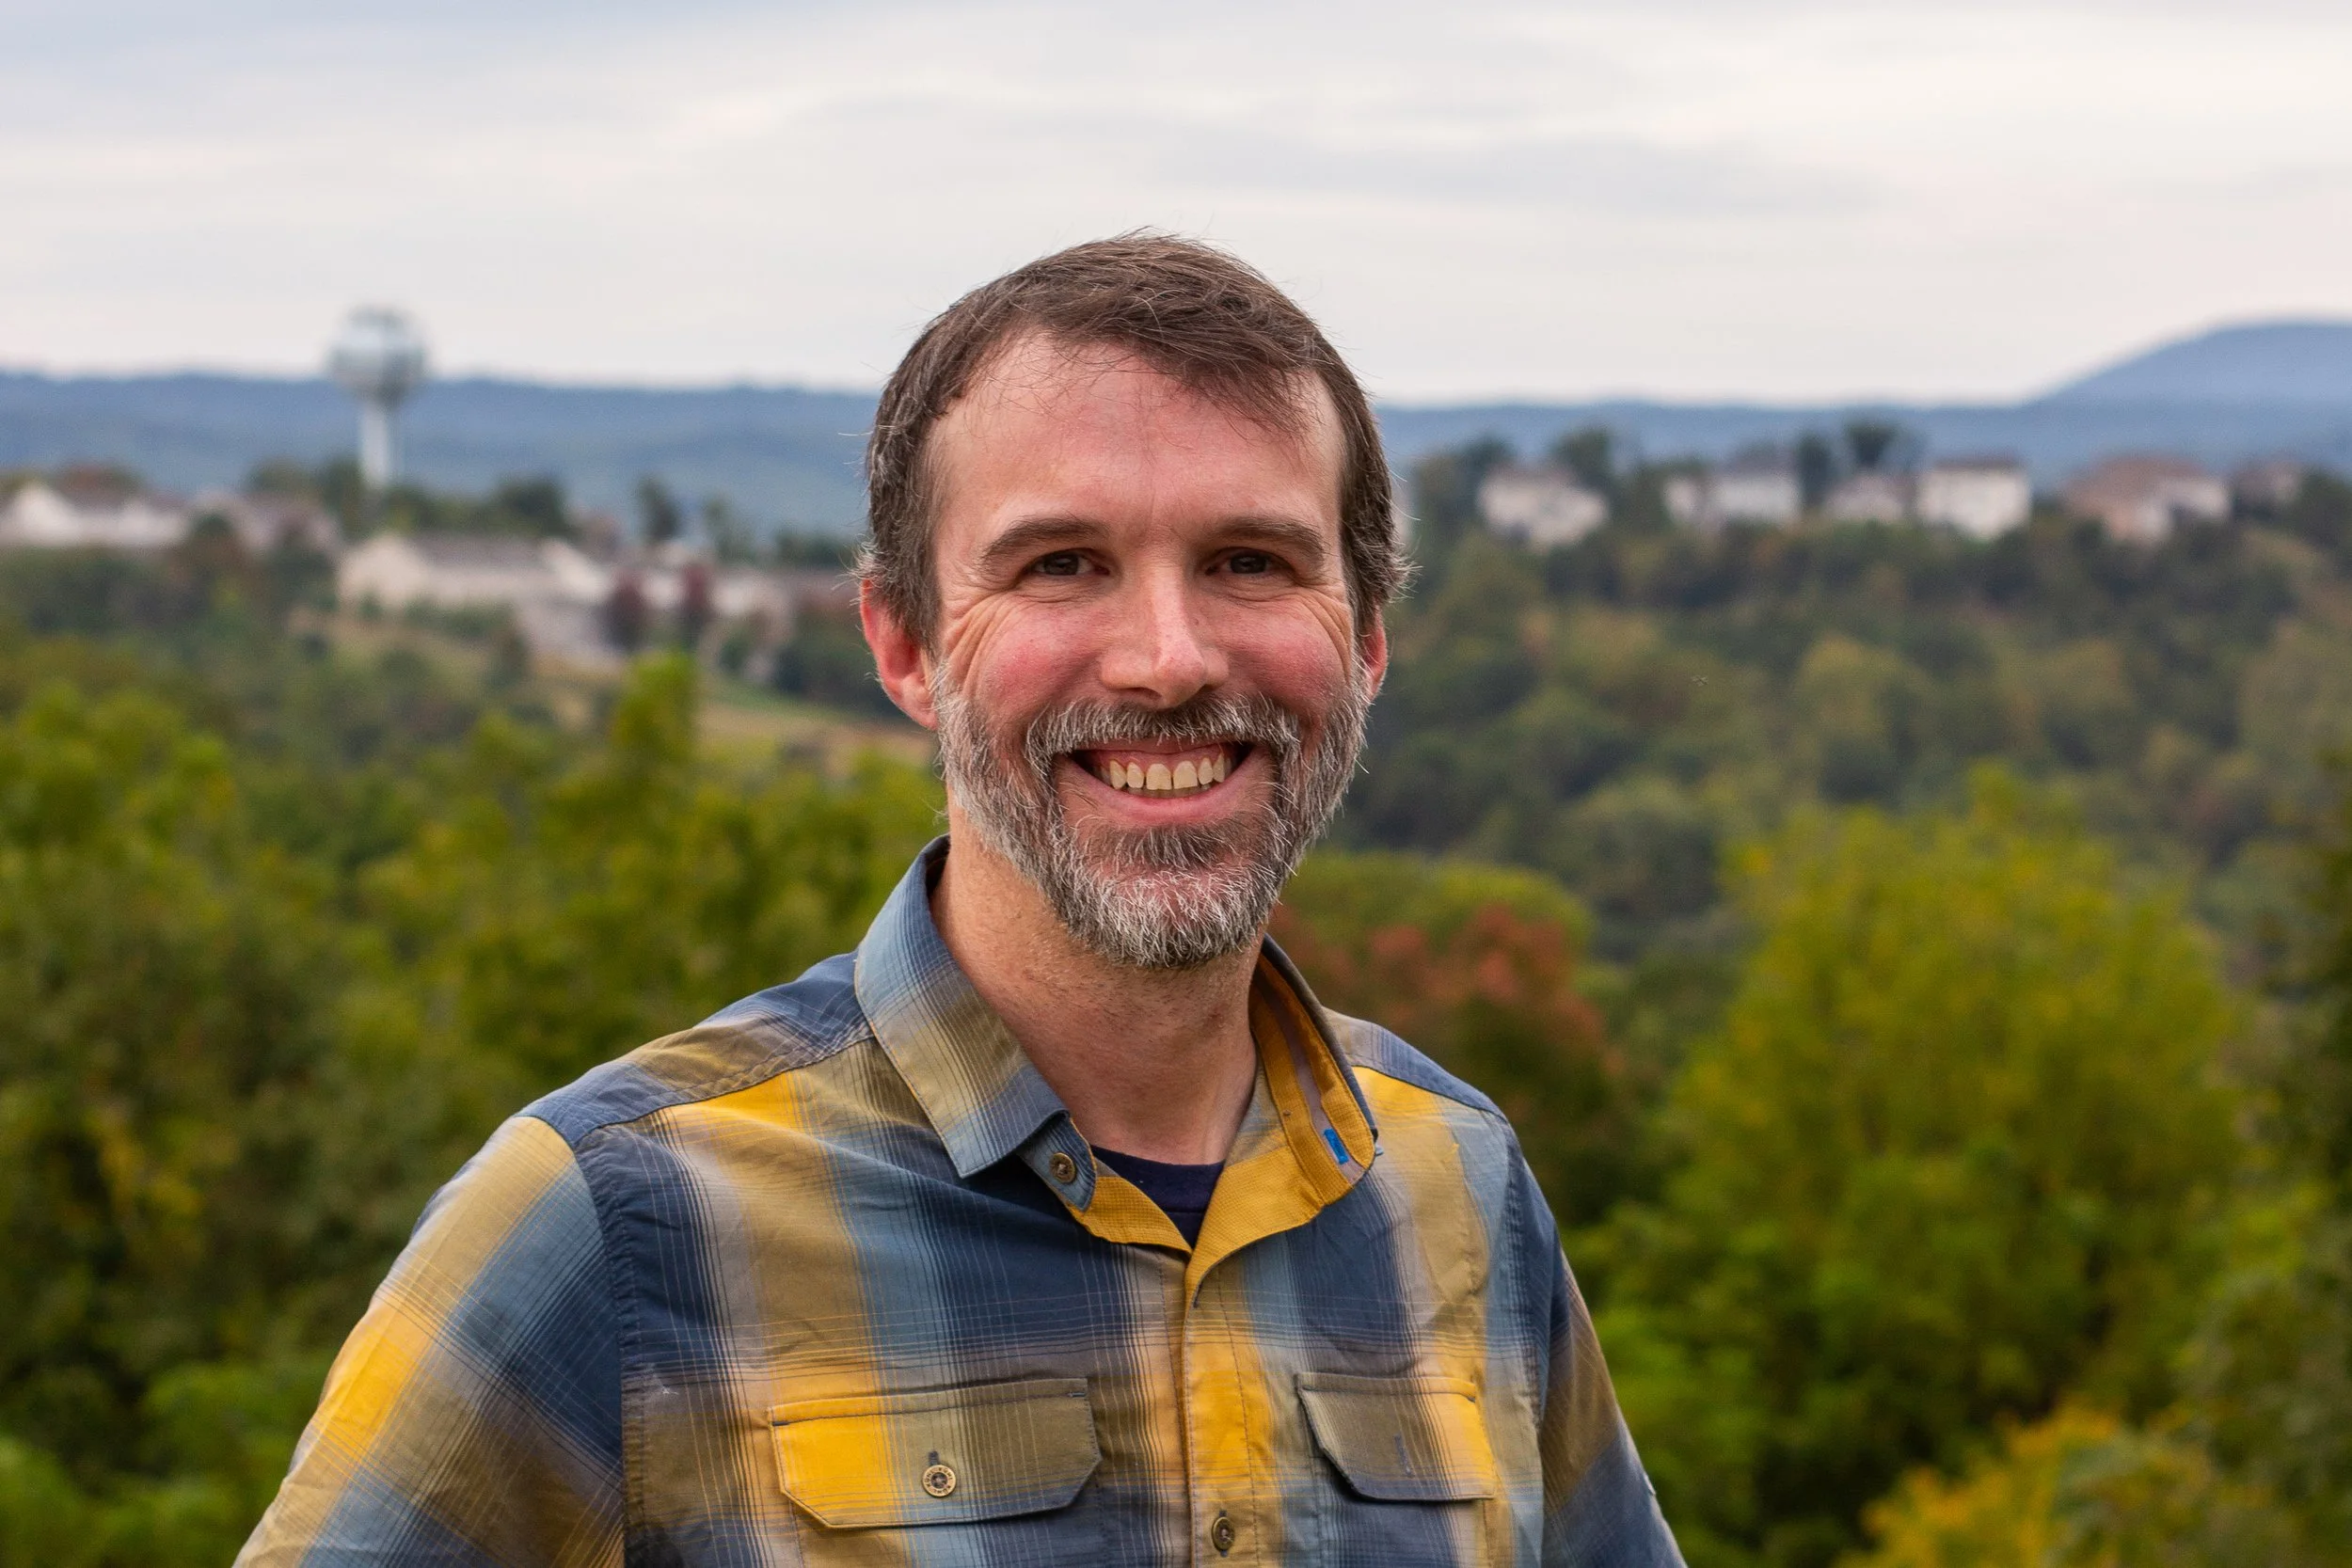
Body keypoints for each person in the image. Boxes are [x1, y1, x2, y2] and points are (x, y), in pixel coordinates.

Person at [238, 234, 1682, 1566]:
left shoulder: (1461, 1189)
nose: (1168, 659)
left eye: (1250, 560)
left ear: (1365, 636)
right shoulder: (613, 1227)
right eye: (1064, 565)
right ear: (905, 642)